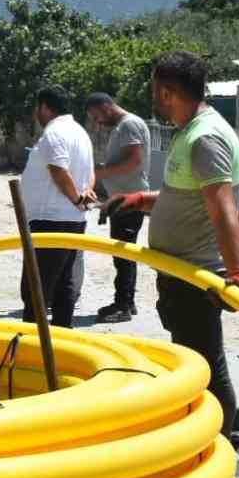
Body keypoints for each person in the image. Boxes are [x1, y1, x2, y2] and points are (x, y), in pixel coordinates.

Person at [106, 52, 239, 437]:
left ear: (166, 92)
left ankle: (218, 446)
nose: (151, 95)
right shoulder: (189, 132)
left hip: (195, 276)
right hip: (178, 272)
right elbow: (182, 196)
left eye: (154, 88)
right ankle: (205, 438)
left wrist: (238, 274)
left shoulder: (206, 138)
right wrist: (139, 200)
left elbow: (222, 209)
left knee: (206, 368)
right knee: (193, 363)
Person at [17, 84, 96, 328]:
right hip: (71, 220)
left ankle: (33, 341)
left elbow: (59, 171)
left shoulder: (55, 133)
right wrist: (85, 194)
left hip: (50, 220)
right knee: (63, 283)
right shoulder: (80, 133)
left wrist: (77, 198)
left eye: (36, 109)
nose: (35, 114)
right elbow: (90, 174)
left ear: (44, 107)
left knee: (36, 288)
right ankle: (63, 335)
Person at [84, 92, 150, 323]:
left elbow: (134, 161)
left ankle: (124, 305)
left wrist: (99, 172)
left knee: (124, 254)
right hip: (121, 200)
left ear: (106, 106)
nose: (97, 122)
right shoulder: (123, 126)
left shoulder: (129, 124)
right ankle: (125, 302)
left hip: (129, 201)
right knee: (121, 254)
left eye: (97, 116)